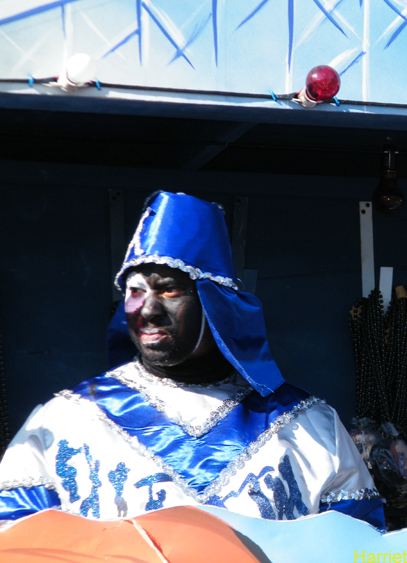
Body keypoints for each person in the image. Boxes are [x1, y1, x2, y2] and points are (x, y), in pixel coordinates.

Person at [0, 191, 384, 528]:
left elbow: (360, 549)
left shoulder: (310, 427)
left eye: (168, 291)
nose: (146, 310)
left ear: (216, 305)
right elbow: (15, 545)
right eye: (134, 291)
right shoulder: (66, 422)